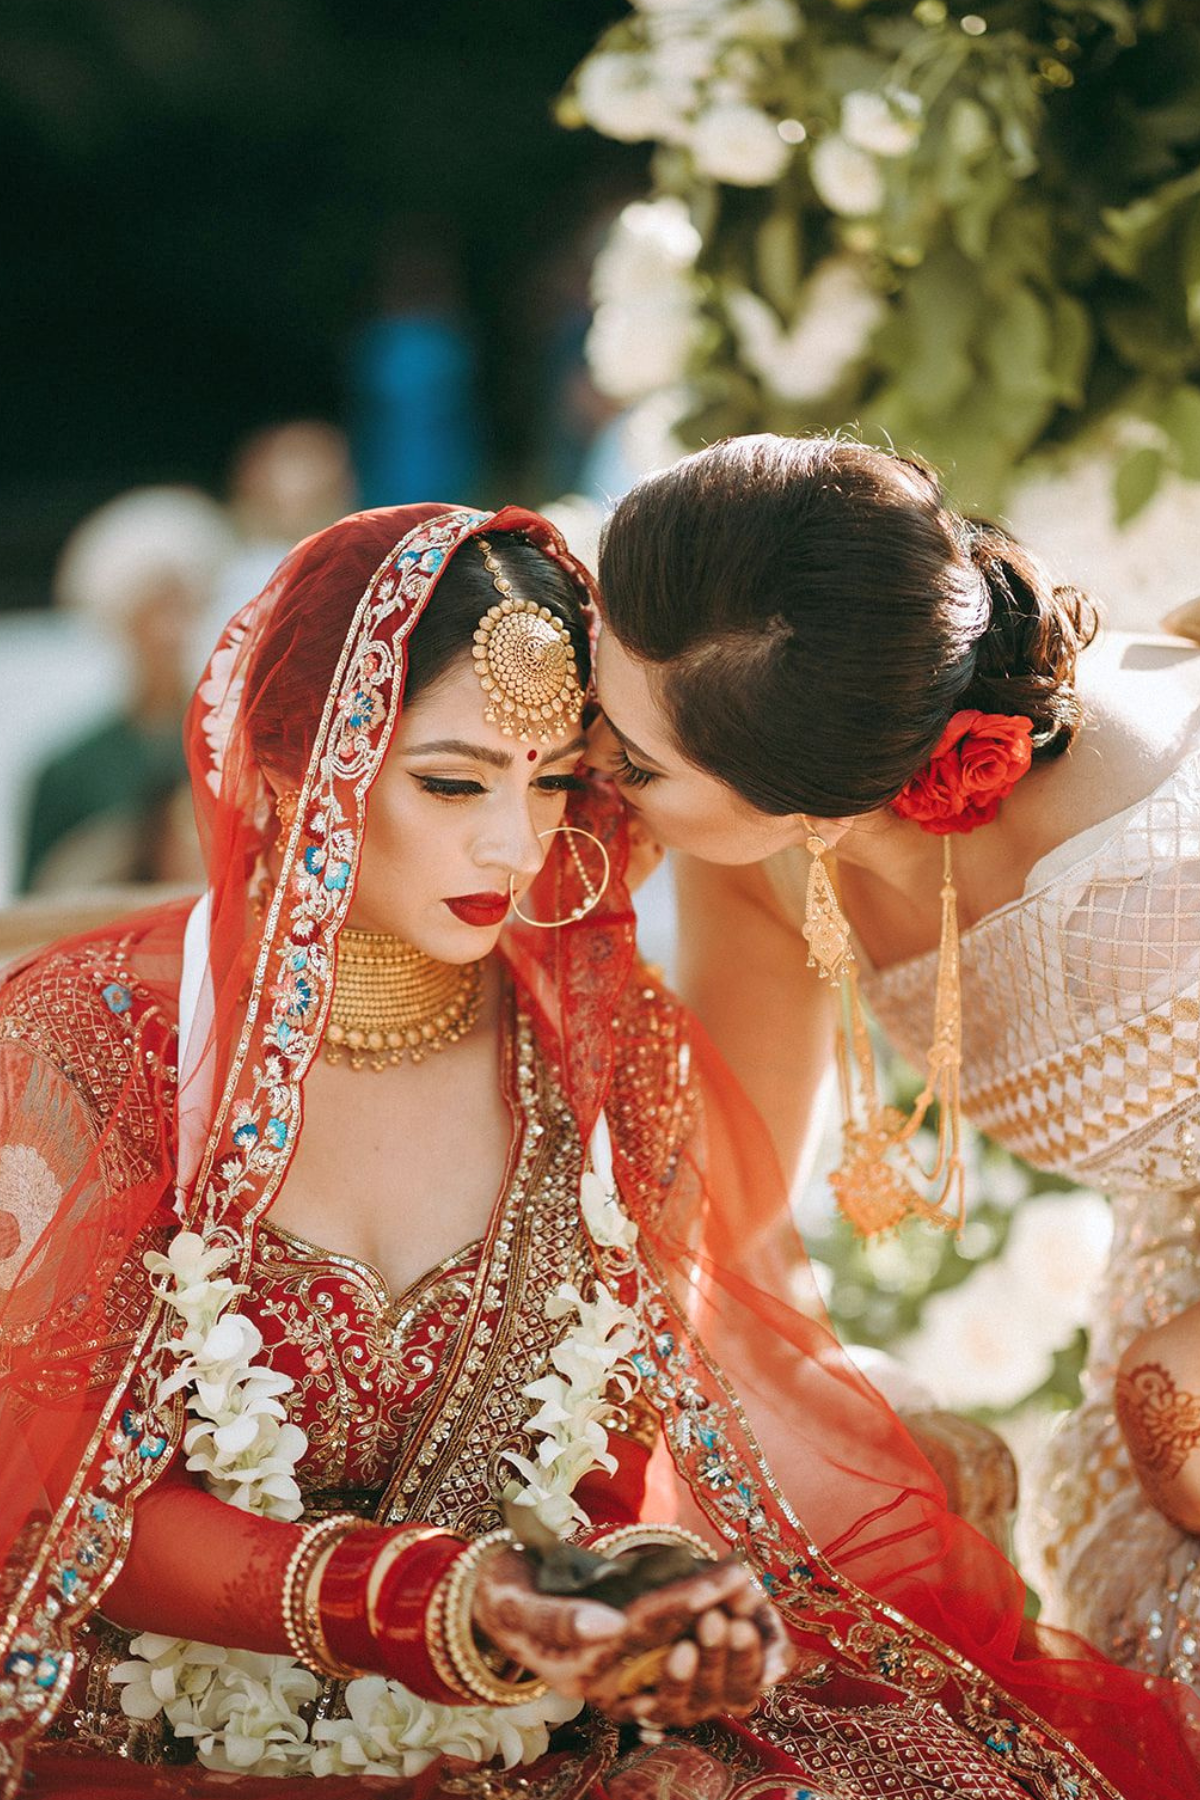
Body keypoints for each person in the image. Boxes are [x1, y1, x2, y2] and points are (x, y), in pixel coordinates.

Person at [1, 503, 1195, 1800]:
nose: (513, 845)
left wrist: (658, 1606)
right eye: (454, 781)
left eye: (556, 778)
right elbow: (58, 1508)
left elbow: (648, 1436)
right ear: (302, 766)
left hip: (556, 1704)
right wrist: (436, 1602)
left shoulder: (603, 1045)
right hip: (189, 1721)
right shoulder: (100, 1039)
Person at [590, 432, 1200, 1692]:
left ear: (811, 805)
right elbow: (728, 1216)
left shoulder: (1160, 856)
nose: (588, 764)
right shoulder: (759, 858)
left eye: (635, 762)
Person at [19, 487, 232, 893]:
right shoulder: (68, 770)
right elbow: (34, 904)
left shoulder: (235, 741)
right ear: (122, 622)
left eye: (182, 608)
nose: (171, 631)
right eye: (154, 612)